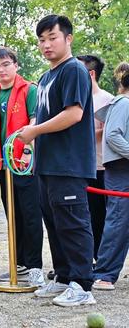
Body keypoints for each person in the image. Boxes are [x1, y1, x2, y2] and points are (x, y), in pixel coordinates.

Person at [18, 14, 96, 307]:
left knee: (74, 223)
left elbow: (74, 113)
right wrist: (27, 136)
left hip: (69, 163)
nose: (46, 44)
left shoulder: (74, 70)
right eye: (41, 39)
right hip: (46, 163)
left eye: (52, 37)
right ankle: (63, 277)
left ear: (68, 38)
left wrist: (34, 130)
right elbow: (43, 117)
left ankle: (82, 285)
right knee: (55, 223)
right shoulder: (46, 76)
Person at [0, 46, 44, 285]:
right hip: (2, 164)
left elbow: (35, 121)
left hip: (25, 163)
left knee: (31, 214)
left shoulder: (30, 90)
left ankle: (35, 266)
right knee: (12, 214)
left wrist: (27, 149)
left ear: (16, 65)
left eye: (6, 64)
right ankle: (20, 262)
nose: (1, 69)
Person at [92, 63, 129, 291]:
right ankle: (104, 273)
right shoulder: (123, 102)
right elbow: (113, 135)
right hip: (121, 168)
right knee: (118, 220)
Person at [76, 55, 113, 262]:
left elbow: (109, 132)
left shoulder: (106, 99)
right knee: (80, 217)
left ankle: (99, 259)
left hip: (99, 166)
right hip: (76, 167)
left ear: (91, 74)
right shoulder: (75, 97)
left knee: (98, 216)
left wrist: (82, 132)